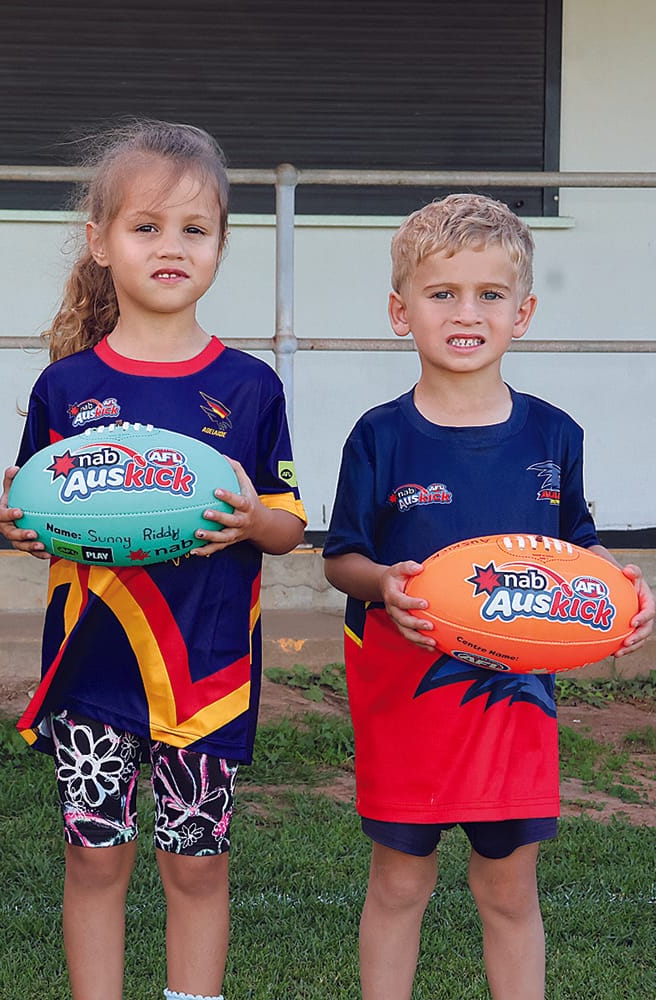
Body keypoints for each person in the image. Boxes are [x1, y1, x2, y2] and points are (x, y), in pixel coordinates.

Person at [0, 120, 307, 1000]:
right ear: (100, 243)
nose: (172, 247)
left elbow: (288, 526)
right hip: (93, 662)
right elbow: (36, 511)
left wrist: (251, 520)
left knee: (197, 864)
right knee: (95, 860)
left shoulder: (251, 388)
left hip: (205, 666)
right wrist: (19, 523)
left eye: (194, 229)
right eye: (146, 227)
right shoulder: (66, 388)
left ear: (221, 246)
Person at [321, 192, 653, 999]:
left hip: (515, 705)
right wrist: (382, 584)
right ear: (402, 312)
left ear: (523, 311)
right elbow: (341, 557)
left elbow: (579, 542)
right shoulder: (379, 435)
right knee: (400, 884)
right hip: (408, 701)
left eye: (489, 294)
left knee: (507, 890)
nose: (466, 314)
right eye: (442, 294)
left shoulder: (554, 436)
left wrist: (620, 587)